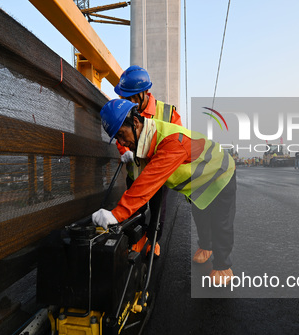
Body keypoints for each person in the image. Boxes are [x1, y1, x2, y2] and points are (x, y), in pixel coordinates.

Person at [93, 99, 237, 285]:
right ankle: (206, 247)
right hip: (199, 181)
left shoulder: (171, 142)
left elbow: (148, 181)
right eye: (117, 138)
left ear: (136, 123)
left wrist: (116, 214)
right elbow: (144, 186)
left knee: (220, 221)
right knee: (200, 215)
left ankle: (223, 265)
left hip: (219, 173)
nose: (122, 142)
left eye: (122, 134)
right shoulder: (145, 141)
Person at [114, 66, 182, 254]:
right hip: (135, 175)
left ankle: (153, 241)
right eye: (125, 98)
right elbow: (120, 135)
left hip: (158, 177)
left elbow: (177, 142)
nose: (129, 102)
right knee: (136, 211)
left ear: (145, 92)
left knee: (157, 213)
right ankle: (137, 239)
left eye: (133, 97)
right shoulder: (125, 110)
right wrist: (124, 150)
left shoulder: (167, 113)